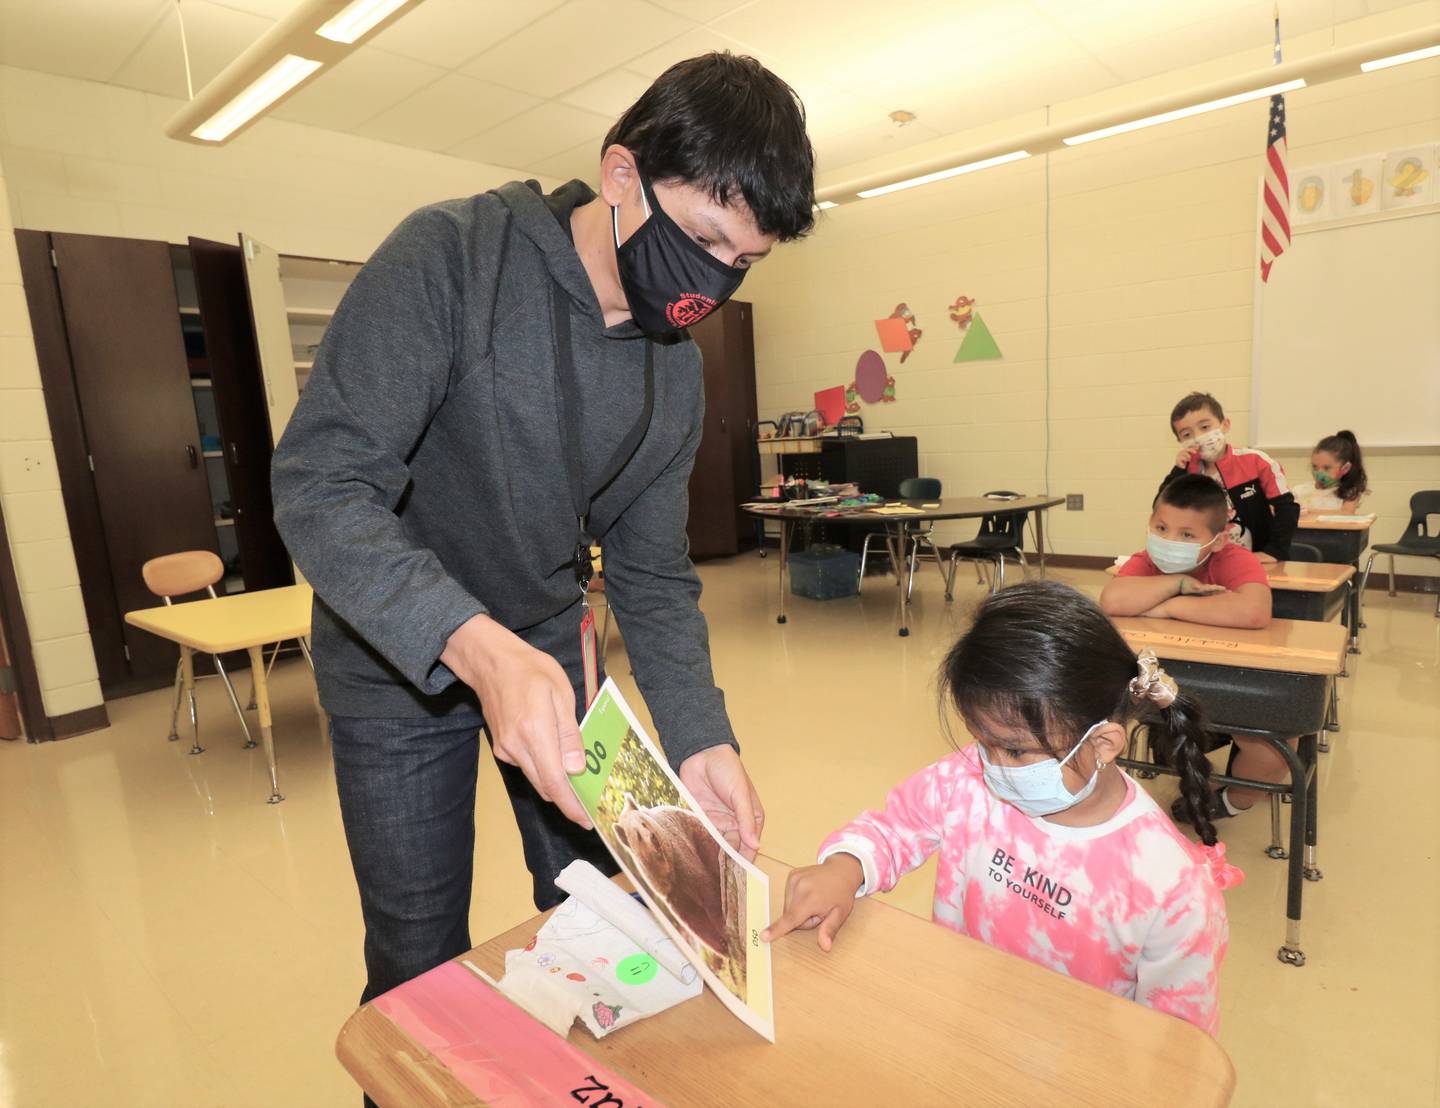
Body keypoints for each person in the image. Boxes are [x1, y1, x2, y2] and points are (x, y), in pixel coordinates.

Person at [270, 52, 816, 1012]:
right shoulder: (451, 258)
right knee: (416, 956)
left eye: (744, 262)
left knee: (604, 910)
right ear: (619, 176)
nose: (716, 281)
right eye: (703, 237)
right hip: (390, 652)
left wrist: (700, 738)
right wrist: (477, 648)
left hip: (550, 654)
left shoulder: (672, 370)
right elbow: (320, 487)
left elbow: (652, 573)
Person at [762, 581, 1241, 1036]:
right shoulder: (965, 779)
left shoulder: (1170, 888)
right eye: (981, 740)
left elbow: (1175, 1046)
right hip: (960, 1026)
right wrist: (844, 869)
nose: (989, 764)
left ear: (1103, 743)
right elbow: (895, 828)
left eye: (1013, 750)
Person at [1100, 474, 1287, 821]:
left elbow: (1253, 611)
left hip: (1234, 680)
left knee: (1274, 748)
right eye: (1161, 528)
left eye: (1186, 535)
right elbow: (1112, 599)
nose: (1169, 540)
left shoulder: (1234, 560)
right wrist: (1179, 582)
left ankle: (1234, 801)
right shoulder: (1146, 562)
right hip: (1170, 686)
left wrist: (1168, 605)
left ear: (1219, 540)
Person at [1161, 391, 1298, 562]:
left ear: (1225, 425)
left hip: (1255, 560)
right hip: (1207, 561)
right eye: (1187, 434)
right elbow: (1161, 512)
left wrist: (1275, 551)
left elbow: (1287, 508)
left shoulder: (1256, 461)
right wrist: (1177, 472)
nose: (1198, 438)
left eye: (1205, 427)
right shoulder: (1187, 473)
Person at [1290, 430, 1368, 514]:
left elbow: (1346, 514)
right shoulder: (1300, 491)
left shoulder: (1350, 493)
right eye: (1315, 467)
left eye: (1326, 468)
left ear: (1345, 468)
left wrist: (1308, 511)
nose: (1319, 473)